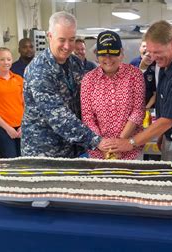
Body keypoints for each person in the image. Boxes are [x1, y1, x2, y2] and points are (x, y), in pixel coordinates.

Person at [109, 20, 172, 162]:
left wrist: (130, 143)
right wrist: (162, 135)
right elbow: (165, 104)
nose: (152, 57)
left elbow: (167, 121)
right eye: (150, 52)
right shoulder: (166, 64)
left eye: (157, 52)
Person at [21, 11, 110, 157]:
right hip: (45, 152)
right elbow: (58, 117)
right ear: (50, 36)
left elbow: (87, 101)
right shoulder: (39, 70)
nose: (67, 46)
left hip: (74, 149)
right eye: (62, 40)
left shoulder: (75, 63)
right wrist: (97, 141)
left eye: (72, 39)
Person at [81, 31, 145, 160]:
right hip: (99, 151)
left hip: (129, 149)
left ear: (121, 53)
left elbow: (138, 112)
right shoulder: (88, 80)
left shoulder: (135, 75)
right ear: (97, 55)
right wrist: (102, 143)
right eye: (103, 54)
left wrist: (120, 142)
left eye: (113, 54)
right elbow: (87, 117)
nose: (108, 59)